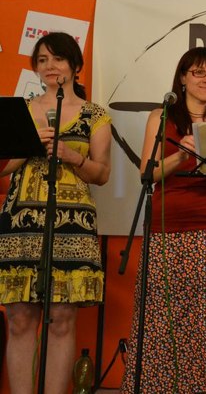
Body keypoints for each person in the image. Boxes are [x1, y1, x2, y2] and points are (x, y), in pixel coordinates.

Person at [120, 47, 206, 393]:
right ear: (182, 78)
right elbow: (147, 173)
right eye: (198, 72)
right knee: (163, 316)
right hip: (166, 228)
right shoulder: (162, 116)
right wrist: (182, 155)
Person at [0, 32, 111, 393]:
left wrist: (72, 156)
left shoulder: (95, 115)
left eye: (58, 58)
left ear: (75, 65)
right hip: (21, 224)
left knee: (62, 318)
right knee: (19, 318)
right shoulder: (20, 110)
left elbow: (102, 174)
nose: (50, 66)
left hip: (72, 226)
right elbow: (3, 169)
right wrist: (27, 146)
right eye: (42, 59)